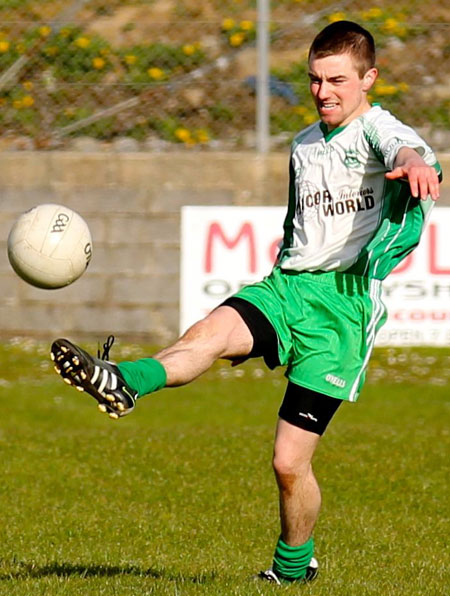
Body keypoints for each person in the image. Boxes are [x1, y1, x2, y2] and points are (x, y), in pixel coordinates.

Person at [50, 21, 441, 585]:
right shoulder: (303, 145)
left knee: (288, 463)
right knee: (207, 334)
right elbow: (295, 219)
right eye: (313, 79)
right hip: (285, 287)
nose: (323, 91)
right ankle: (121, 379)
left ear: (368, 79)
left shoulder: (379, 129)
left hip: (342, 310)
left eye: (336, 80)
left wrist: (417, 163)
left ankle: (292, 567)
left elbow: (402, 148)